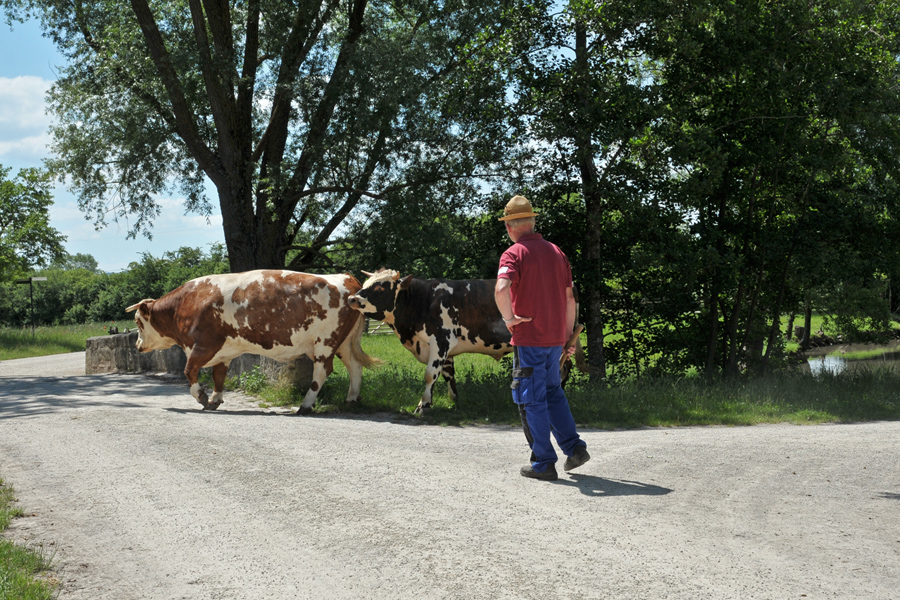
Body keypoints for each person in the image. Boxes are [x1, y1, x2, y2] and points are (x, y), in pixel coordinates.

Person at [494, 195, 590, 481]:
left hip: (529, 340)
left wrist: (509, 319)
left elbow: (501, 289)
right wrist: (567, 339)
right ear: (532, 221)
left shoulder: (513, 254)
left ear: (511, 226)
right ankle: (574, 448)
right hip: (553, 341)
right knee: (553, 392)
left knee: (532, 398)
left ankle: (543, 463)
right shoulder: (557, 253)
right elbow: (569, 300)